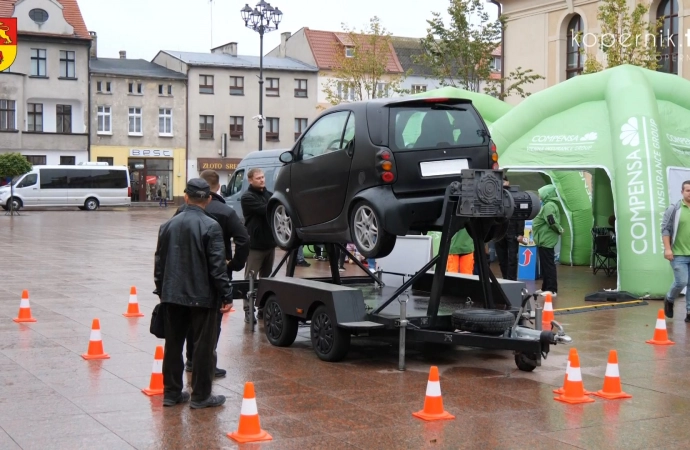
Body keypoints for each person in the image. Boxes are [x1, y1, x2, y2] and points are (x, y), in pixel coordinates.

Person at [154, 178, 232, 409]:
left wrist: (162, 290)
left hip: (172, 293)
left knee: (173, 344)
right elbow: (217, 266)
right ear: (208, 200)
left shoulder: (167, 225)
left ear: (186, 197)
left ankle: (171, 393)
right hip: (202, 296)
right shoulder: (211, 225)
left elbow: (159, 263)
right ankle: (200, 396)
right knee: (202, 346)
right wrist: (226, 294)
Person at [174, 170, 250, 377]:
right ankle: (206, 362)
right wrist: (234, 264)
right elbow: (243, 239)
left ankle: (190, 360)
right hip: (217, 272)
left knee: (190, 318)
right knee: (211, 322)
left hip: (187, 272)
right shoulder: (226, 212)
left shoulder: (182, 210)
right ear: (215, 189)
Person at [241, 168, 277, 321]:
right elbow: (266, 210)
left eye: (263, 177)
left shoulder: (270, 195)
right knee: (250, 279)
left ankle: (263, 308)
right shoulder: (247, 197)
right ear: (250, 180)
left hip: (270, 244)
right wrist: (275, 204)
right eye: (258, 178)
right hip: (255, 246)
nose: (262, 180)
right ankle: (248, 311)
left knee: (267, 279)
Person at [525, 184, 563, 296]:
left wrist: (559, 229)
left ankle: (551, 289)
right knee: (545, 265)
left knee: (548, 264)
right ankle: (545, 287)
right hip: (543, 240)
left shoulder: (549, 206)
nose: (539, 196)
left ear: (547, 194)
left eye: (541, 194)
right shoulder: (547, 204)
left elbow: (551, 220)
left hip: (547, 240)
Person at [661, 180, 690, 321]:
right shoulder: (674, 208)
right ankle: (670, 299)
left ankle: (689, 313)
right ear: (682, 192)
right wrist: (667, 249)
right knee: (682, 282)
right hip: (678, 254)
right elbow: (665, 229)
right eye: (688, 190)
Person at [494, 176, 526, 280]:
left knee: (512, 258)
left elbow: (520, 215)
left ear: (508, 182)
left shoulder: (515, 196)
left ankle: (511, 280)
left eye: (504, 181)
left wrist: (520, 233)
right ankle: (505, 279)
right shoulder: (494, 195)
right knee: (502, 259)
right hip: (498, 230)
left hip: (512, 230)